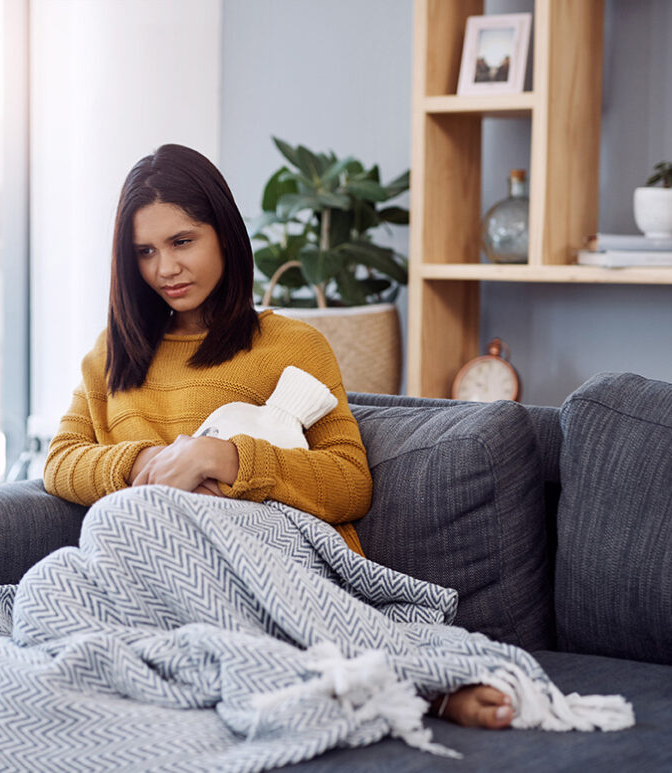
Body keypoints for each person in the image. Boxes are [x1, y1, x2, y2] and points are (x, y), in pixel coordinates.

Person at [42, 143, 513, 730]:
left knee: (118, 520)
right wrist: (156, 461)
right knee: (46, 589)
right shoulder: (112, 354)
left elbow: (349, 485)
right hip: (161, 566)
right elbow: (59, 462)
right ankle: (259, 671)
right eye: (145, 252)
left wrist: (227, 458)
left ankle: (410, 678)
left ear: (225, 236)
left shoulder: (292, 344)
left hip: (271, 554)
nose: (165, 269)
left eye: (182, 242)